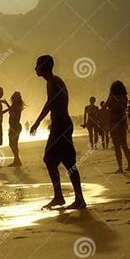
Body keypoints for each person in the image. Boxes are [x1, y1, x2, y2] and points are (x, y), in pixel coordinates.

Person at [30, 55, 86, 209]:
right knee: (58, 161)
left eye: (37, 66)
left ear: (43, 67)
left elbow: (50, 103)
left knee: (59, 161)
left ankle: (68, 197)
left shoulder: (53, 82)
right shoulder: (54, 81)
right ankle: (64, 197)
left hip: (61, 126)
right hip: (61, 125)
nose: (35, 69)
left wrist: (37, 122)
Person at [105, 81, 130, 172]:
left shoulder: (111, 97)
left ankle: (120, 167)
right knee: (124, 144)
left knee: (117, 146)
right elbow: (123, 107)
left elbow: (105, 106)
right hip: (122, 121)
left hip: (113, 122)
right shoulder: (125, 97)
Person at [4, 91, 25, 166]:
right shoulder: (15, 105)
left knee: (13, 144)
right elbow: (11, 111)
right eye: (14, 97)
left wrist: (6, 104)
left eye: (16, 97)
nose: (15, 98)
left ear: (18, 98)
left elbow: (13, 114)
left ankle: (17, 160)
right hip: (13, 127)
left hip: (15, 127)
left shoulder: (17, 106)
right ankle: (17, 160)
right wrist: (7, 104)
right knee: (12, 144)